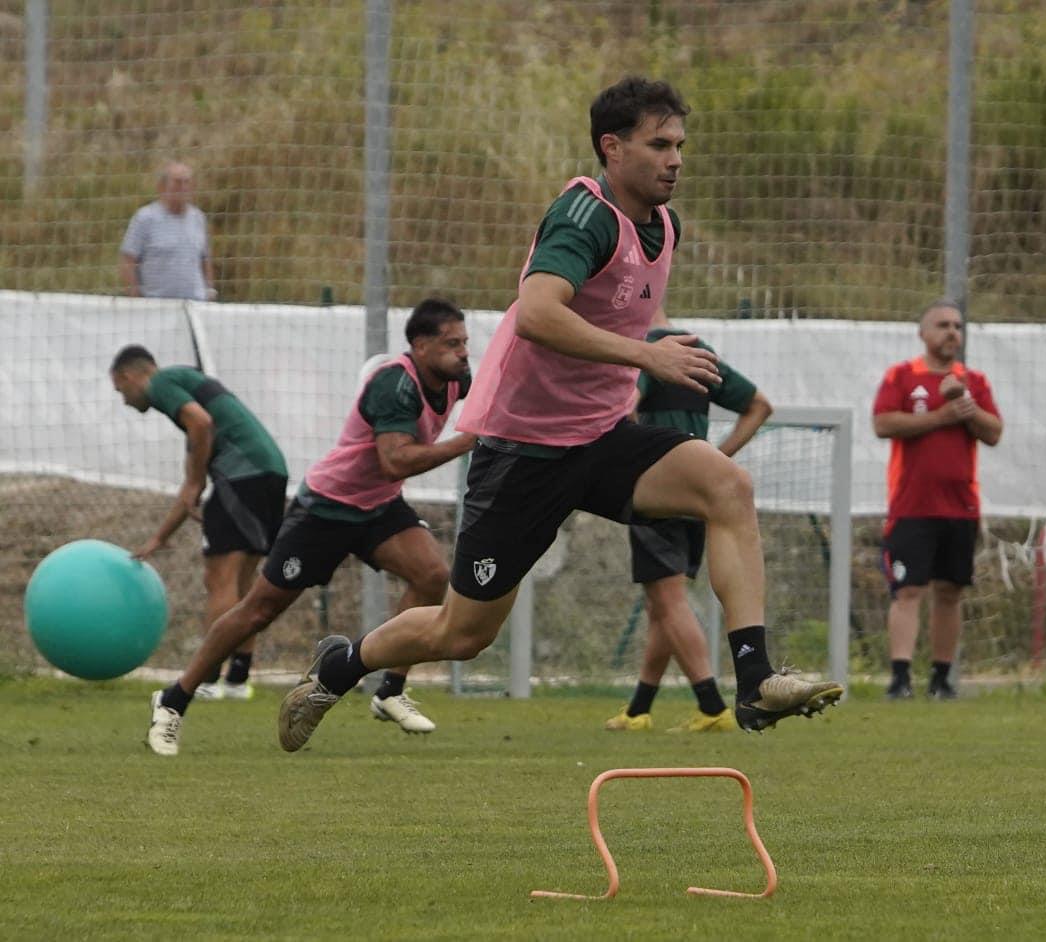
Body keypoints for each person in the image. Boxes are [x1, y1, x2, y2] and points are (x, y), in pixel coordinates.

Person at [278, 75, 843, 752]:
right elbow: (540, 313)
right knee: (460, 633)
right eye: (659, 144)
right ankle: (339, 666)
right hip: (523, 453)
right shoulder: (584, 215)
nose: (676, 159)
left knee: (728, 486)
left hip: (602, 439)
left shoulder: (665, 227)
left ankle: (753, 682)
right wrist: (649, 356)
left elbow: (616, 309)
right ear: (612, 147)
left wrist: (640, 363)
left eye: (681, 145)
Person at [141, 298, 477, 756]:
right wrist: (468, 442)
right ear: (420, 346)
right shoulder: (394, 383)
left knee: (433, 577)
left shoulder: (459, 378)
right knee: (257, 611)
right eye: (451, 343)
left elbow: (494, 407)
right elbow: (394, 459)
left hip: (378, 505)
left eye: (465, 343)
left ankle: (389, 690)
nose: (462, 352)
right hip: (327, 508)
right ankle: (173, 700)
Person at [605, 310, 773, 733]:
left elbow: (625, 409)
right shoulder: (699, 351)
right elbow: (759, 406)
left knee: (667, 601)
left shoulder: (646, 354)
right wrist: (715, 463)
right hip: (697, 498)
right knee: (664, 604)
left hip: (657, 492)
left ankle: (713, 705)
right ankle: (639, 708)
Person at [111, 345, 289, 706]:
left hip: (241, 475)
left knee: (219, 580)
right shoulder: (187, 384)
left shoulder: (161, 383)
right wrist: (159, 539)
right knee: (243, 586)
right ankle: (237, 679)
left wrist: (195, 481)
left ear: (131, 376)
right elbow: (191, 485)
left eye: (121, 391)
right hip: (270, 471)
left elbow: (200, 424)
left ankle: (206, 678)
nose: (126, 402)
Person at [872, 299, 1003, 700]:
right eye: (943, 325)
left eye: (958, 327)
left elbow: (994, 431)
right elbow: (883, 423)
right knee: (908, 591)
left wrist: (968, 410)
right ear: (923, 333)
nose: (952, 333)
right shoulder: (902, 376)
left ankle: (942, 679)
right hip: (912, 505)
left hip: (960, 506)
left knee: (951, 591)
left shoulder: (972, 382)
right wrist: (940, 417)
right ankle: (900, 678)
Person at [119, 161, 217, 302]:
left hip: (194, 305)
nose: (183, 187)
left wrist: (210, 291)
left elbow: (204, 259)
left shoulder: (198, 218)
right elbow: (127, 260)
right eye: (177, 182)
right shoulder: (145, 218)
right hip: (156, 306)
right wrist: (136, 299)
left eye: (187, 182)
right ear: (162, 187)